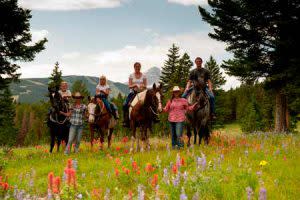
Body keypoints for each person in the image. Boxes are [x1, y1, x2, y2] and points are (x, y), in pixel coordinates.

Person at [122, 62, 148, 127]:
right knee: (125, 104)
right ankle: (125, 120)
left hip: (142, 93)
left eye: (139, 66)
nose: (137, 68)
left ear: (140, 67)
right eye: (136, 67)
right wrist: (135, 85)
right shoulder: (131, 75)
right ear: (134, 67)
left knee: (150, 103)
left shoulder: (144, 76)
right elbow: (129, 86)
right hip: (133, 92)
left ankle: (153, 118)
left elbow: (146, 86)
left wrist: (143, 86)